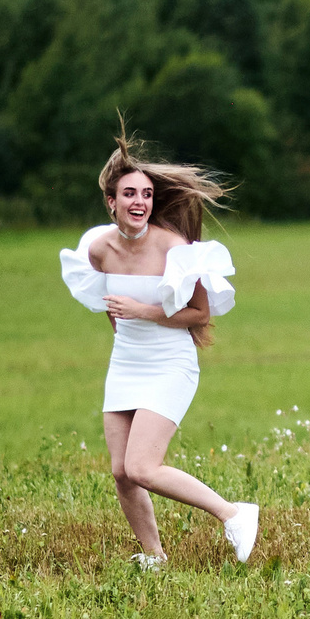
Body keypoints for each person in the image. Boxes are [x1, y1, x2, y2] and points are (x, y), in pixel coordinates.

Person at [61, 134, 262, 567]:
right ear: (111, 202)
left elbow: (200, 314)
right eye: (130, 193)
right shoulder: (99, 249)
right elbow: (107, 300)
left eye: (147, 194)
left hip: (170, 364)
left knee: (143, 468)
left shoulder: (175, 250)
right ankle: (155, 556)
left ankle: (233, 514)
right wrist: (125, 324)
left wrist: (144, 312)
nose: (140, 202)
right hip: (125, 363)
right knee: (121, 472)